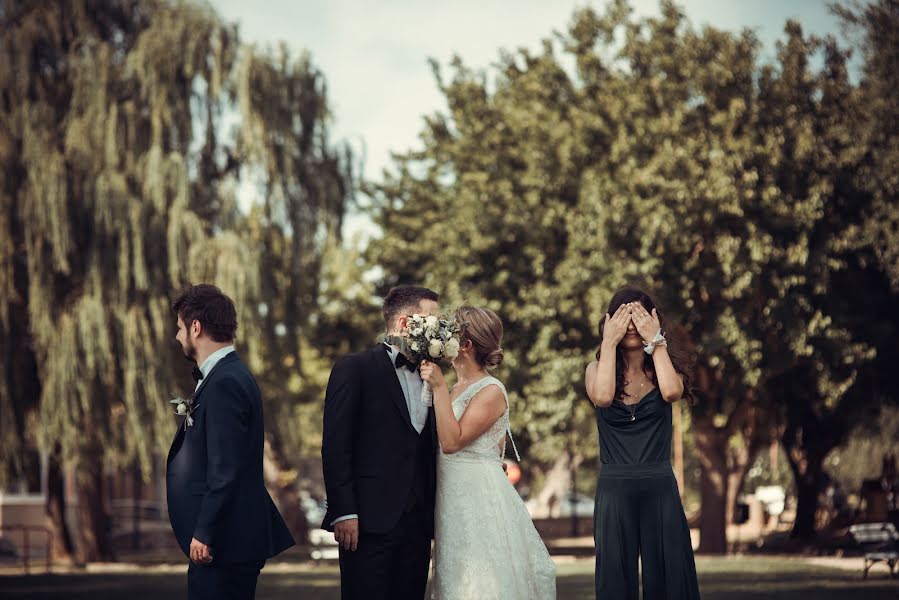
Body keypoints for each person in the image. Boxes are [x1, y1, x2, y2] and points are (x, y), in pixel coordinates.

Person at [167, 284, 295, 600]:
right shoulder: (226, 376)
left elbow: (225, 468)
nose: (178, 337)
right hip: (228, 539)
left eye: (180, 328)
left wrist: (205, 532)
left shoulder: (225, 382)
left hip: (223, 541)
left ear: (196, 328)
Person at [420, 306, 556, 599]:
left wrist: (439, 386)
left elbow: (452, 442)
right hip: (451, 499)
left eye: (450, 333)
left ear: (465, 345)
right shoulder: (455, 389)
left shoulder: (491, 390)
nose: (443, 338)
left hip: (477, 500)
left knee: (482, 582)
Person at [321, 285, 440, 600]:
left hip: (417, 525)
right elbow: (336, 446)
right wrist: (344, 512)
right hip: (368, 523)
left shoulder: (434, 377)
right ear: (404, 324)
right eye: (432, 320)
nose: (439, 329)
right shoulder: (355, 368)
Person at [585, 286, 701, 599]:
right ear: (610, 322)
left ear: (653, 321)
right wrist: (608, 342)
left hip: (659, 488)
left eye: (639, 317)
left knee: (668, 578)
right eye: (625, 317)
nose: (632, 325)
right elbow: (604, 396)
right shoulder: (596, 370)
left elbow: (672, 393)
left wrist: (656, 340)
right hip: (614, 490)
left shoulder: (665, 370)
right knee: (614, 581)